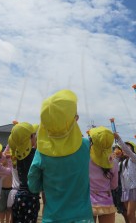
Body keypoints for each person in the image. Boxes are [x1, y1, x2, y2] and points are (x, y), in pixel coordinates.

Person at [28, 89, 94, 222]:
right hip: (82, 218)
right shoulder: (86, 146)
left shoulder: (42, 151)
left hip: (53, 218)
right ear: (74, 119)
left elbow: (33, 186)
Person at [9, 122, 40, 223]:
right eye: (34, 135)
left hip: (19, 197)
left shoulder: (18, 156)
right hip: (30, 198)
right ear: (31, 137)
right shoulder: (35, 154)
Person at [88, 126, 119, 223]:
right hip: (106, 201)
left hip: (87, 201)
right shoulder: (113, 162)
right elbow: (114, 186)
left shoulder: (85, 159)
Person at [113, 132, 136, 223]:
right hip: (125, 190)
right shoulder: (122, 162)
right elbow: (114, 169)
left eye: (127, 147)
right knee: (129, 214)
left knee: (130, 213)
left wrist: (119, 139)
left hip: (133, 189)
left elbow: (127, 150)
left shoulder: (134, 158)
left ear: (132, 149)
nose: (123, 149)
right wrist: (117, 157)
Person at [111, 145, 129, 223]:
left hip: (120, 187)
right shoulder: (111, 160)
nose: (117, 152)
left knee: (124, 210)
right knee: (110, 210)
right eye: (115, 150)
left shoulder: (124, 161)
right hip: (112, 188)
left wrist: (116, 159)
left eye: (118, 150)